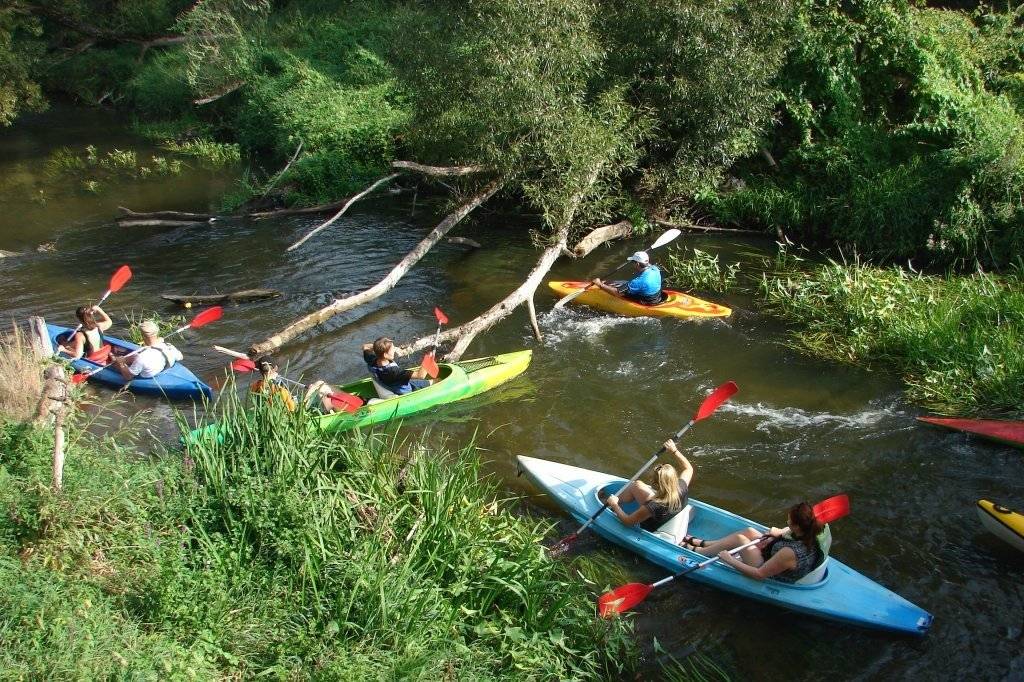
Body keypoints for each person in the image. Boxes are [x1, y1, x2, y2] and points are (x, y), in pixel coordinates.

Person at [682, 501, 823, 583]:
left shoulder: (790, 552)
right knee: (750, 531)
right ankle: (706, 544)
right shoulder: (811, 530)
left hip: (769, 572)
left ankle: (700, 551)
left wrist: (730, 560)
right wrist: (776, 534)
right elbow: (787, 531)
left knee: (740, 540)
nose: (787, 521)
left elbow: (759, 574)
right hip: (775, 555)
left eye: (789, 520)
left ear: (797, 526)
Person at [603, 439, 694, 532]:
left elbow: (628, 521)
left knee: (620, 507)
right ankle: (613, 502)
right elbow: (688, 468)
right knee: (637, 485)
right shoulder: (681, 486)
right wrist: (674, 451)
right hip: (668, 511)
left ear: (656, 485)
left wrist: (615, 505)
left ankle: (609, 504)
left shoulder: (653, 506)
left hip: (653, 525)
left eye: (652, 479)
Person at [110, 320, 183, 380]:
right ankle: (122, 359)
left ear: (143, 336)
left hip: (145, 376)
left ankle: (115, 359)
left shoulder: (142, 357)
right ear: (157, 333)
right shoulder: (169, 346)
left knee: (117, 363)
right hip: (161, 368)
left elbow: (128, 377)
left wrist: (121, 364)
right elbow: (181, 357)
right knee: (134, 356)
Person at [361, 337, 433, 396]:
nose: (394, 350)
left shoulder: (370, 359)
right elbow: (421, 376)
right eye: (392, 349)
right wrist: (428, 358)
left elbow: (365, 346)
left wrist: (378, 348)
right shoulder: (394, 372)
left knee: (430, 382)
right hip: (403, 391)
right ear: (385, 355)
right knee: (433, 381)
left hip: (389, 383)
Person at [591, 251, 662, 305]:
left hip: (646, 301)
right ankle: (605, 283)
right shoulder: (655, 268)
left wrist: (600, 285)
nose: (632, 264)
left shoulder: (638, 281)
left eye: (632, 262)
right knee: (619, 282)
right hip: (656, 296)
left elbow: (617, 293)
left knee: (617, 291)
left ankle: (601, 284)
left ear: (637, 264)